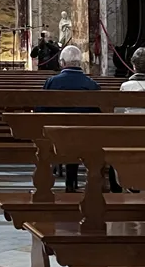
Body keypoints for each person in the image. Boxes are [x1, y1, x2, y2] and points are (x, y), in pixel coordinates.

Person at [40, 45, 100, 191]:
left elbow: (40, 110)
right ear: (80, 63)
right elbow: (98, 113)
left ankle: (48, 182)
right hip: (84, 135)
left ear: (62, 63)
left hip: (56, 134)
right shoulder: (91, 85)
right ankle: (72, 182)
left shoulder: (52, 82)